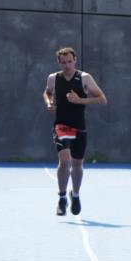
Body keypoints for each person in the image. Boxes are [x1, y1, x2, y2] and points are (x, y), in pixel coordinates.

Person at [43, 47, 107, 216]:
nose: (67, 66)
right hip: (61, 125)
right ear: (59, 62)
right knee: (64, 161)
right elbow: (47, 92)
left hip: (79, 126)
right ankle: (62, 198)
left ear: (75, 60)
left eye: (69, 62)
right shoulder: (53, 78)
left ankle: (75, 195)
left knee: (77, 165)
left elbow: (102, 99)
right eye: (63, 63)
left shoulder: (84, 78)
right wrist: (49, 102)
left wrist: (80, 100)